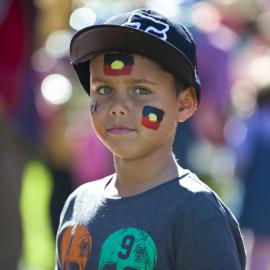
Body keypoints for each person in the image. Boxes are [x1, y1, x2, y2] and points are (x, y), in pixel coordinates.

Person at [55, 9, 246, 269]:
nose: (118, 106)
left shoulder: (197, 214)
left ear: (184, 104)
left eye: (141, 90)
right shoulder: (77, 203)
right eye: (104, 89)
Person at [235, 85, 270, 270]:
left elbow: (242, 154)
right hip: (262, 189)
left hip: (258, 189)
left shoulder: (253, 120)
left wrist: (236, 173)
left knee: (259, 241)